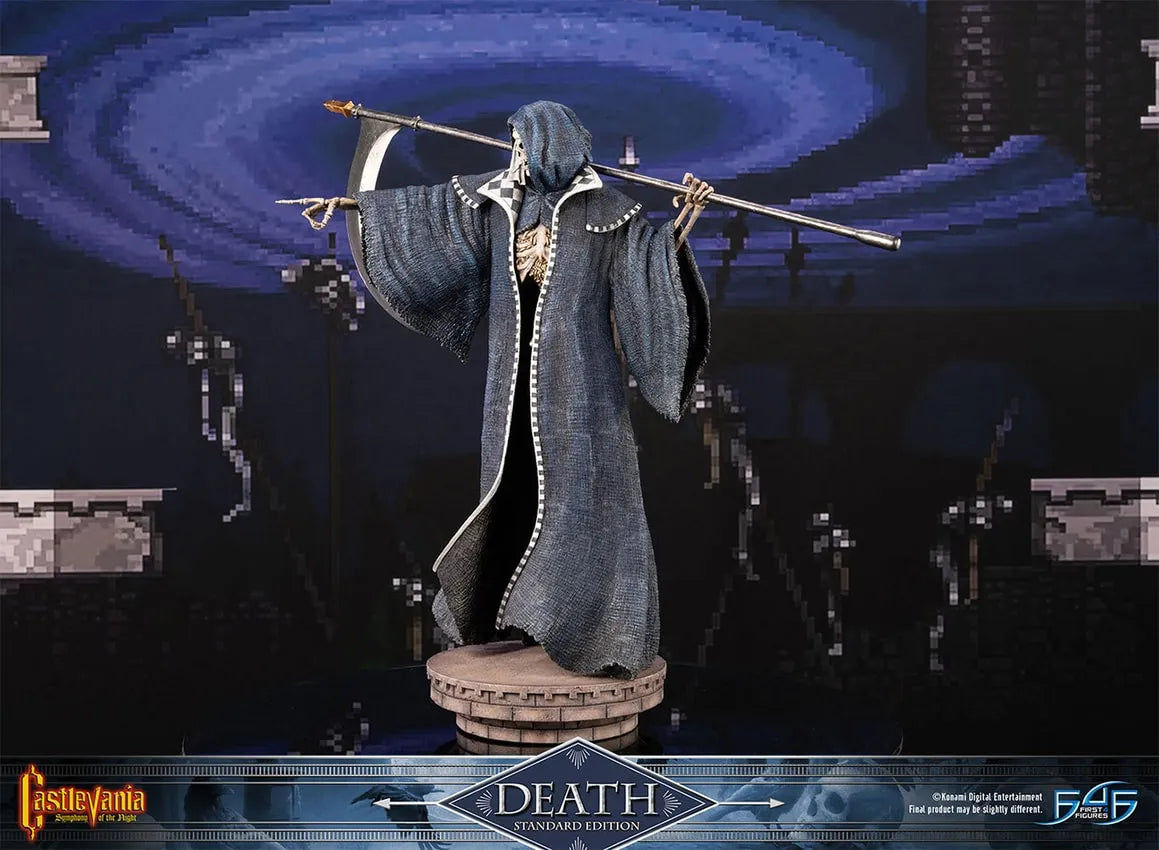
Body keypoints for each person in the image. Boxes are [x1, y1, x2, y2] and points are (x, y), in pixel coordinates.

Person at [284, 101, 712, 677]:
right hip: (510, 385)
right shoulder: (498, 201)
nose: (514, 154)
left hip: (582, 389)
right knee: (512, 491)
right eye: (513, 144)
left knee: (587, 498)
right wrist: (353, 207)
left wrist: (685, 220)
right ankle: (511, 620)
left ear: (550, 147)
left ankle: (594, 630)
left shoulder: (608, 213)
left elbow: (649, 262)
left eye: (522, 145)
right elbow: (430, 212)